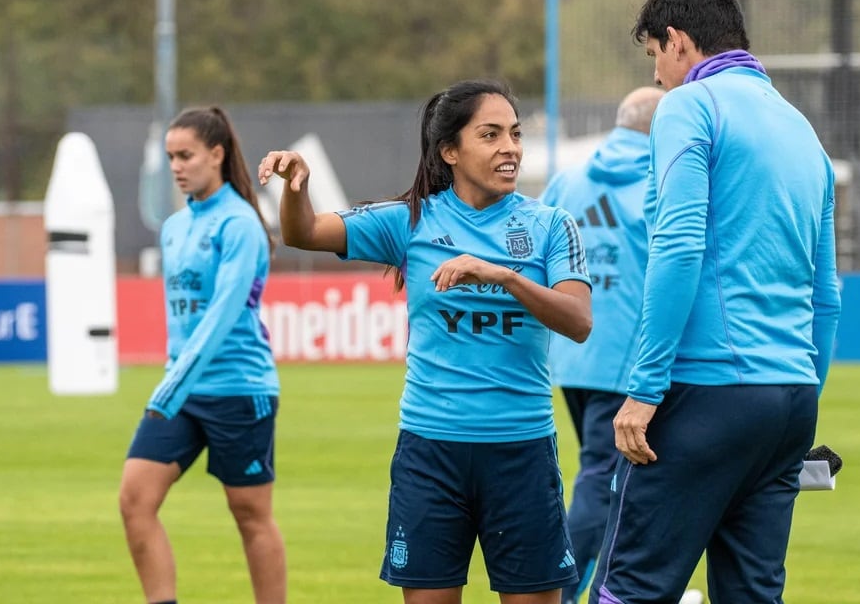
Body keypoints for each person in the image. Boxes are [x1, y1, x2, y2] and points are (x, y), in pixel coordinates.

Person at [258, 79, 593, 604]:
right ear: (450, 151)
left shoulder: (552, 224)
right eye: (490, 135)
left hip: (521, 451)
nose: (510, 147)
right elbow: (304, 234)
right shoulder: (411, 220)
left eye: (515, 134)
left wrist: (503, 276)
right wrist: (296, 187)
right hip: (431, 452)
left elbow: (578, 321)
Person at [589, 0, 842, 604]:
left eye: (654, 54)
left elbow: (678, 247)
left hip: (708, 392)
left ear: (678, 41)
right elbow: (827, 295)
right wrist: (802, 398)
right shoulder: (802, 129)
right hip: (789, 401)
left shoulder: (688, 107)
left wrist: (644, 389)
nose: (656, 75)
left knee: (627, 590)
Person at [119, 107, 286, 604]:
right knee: (135, 500)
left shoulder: (240, 225)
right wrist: (175, 383)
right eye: (171, 157)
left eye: (185, 155)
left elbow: (220, 317)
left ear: (216, 154)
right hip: (183, 392)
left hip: (239, 390)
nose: (176, 166)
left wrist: (169, 388)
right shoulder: (173, 227)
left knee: (250, 515)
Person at [538, 86, 665, 604]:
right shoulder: (662, 182)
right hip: (629, 359)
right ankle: (563, 592)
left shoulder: (568, 181)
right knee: (601, 478)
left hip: (570, 353)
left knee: (605, 475)